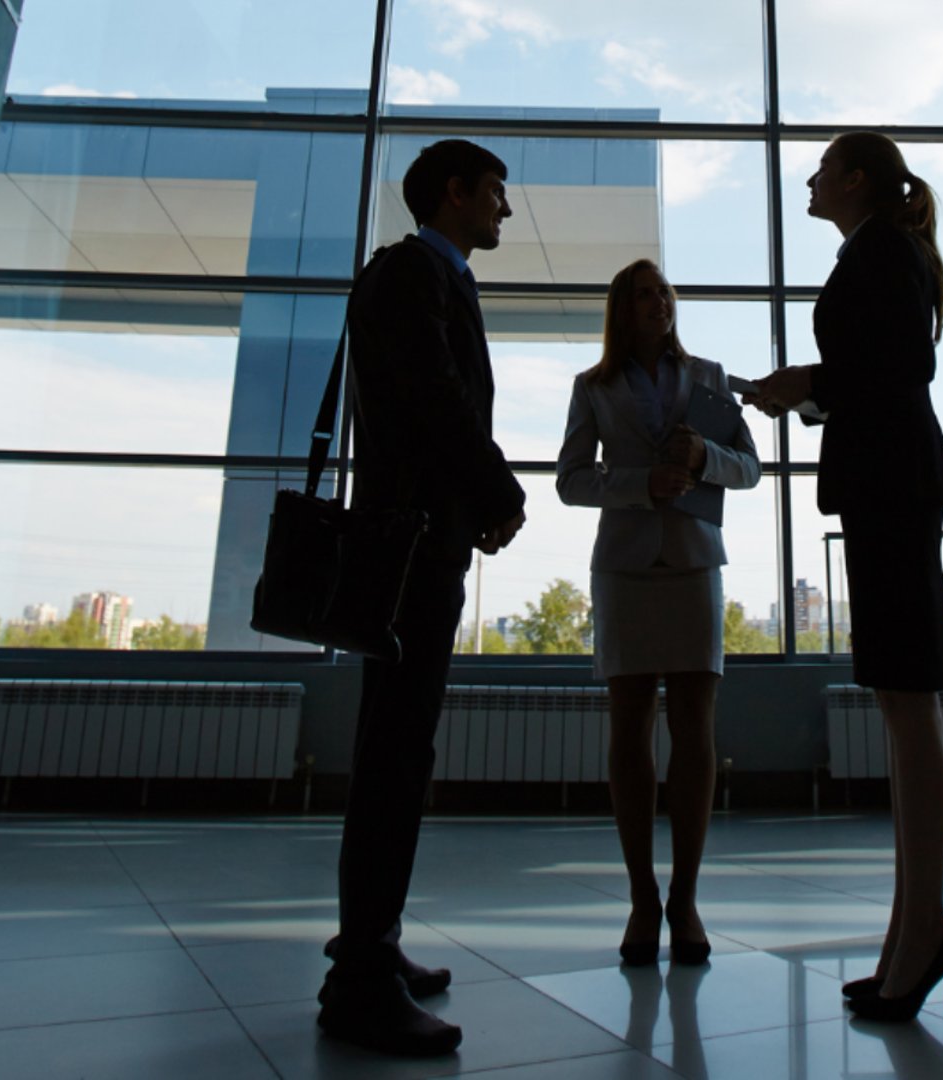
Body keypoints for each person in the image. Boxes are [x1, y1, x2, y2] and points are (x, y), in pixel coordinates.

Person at [744, 132, 943, 1022]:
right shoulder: (876, 250)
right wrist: (809, 392)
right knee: (900, 702)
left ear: (859, 179)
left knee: (909, 705)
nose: (810, 177)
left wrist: (811, 378)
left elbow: (907, 368)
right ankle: (912, 930)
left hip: (895, 485)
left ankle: (922, 933)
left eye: (825, 167)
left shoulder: (884, 250)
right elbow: (879, 372)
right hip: (888, 485)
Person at [319, 138, 528, 1057]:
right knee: (397, 753)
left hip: (419, 541)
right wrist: (499, 490)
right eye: (494, 193)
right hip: (410, 552)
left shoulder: (424, 276)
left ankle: (372, 944)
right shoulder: (412, 276)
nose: (504, 211)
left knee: (397, 747)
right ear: (454, 193)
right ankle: (359, 976)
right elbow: (438, 401)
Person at [555, 259, 761, 967]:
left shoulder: (710, 375)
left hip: (696, 563)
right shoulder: (594, 386)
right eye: (644, 295)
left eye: (665, 293)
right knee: (630, 730)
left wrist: (704, 455)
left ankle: (687, 898)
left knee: (695, 732)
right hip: (626, 567)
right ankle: (643, 897)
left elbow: (751, 466)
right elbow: (571, 481)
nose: (659, 304)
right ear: (621, 308)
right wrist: (645, 484)